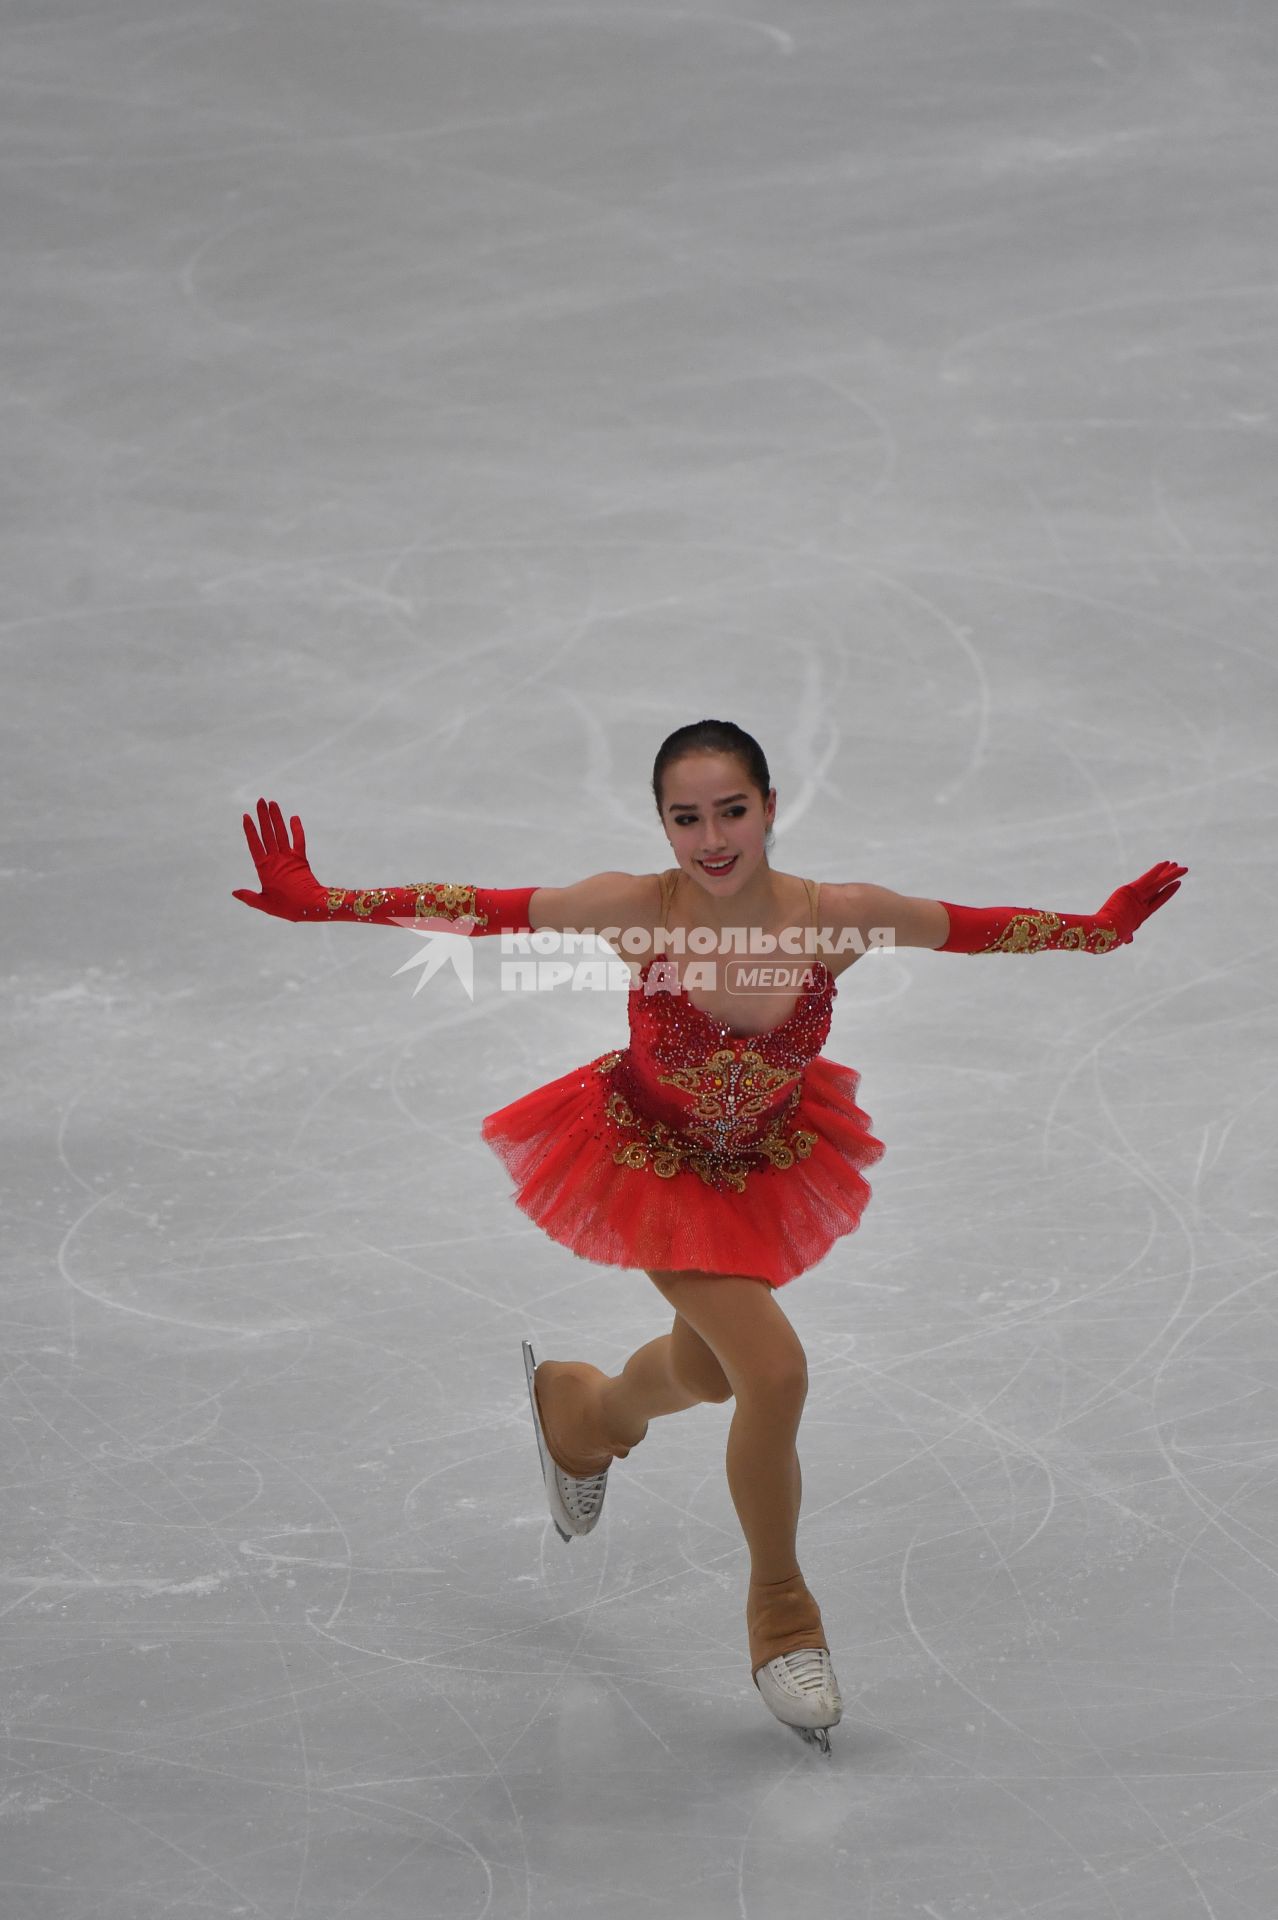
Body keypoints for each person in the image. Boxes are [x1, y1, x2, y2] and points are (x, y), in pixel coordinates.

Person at [233, 717, 1187, 1755]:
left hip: (761, 1164)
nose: (712, 836)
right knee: (774, 1374)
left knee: (718, 1371)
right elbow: (484, 909)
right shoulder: (637, 909)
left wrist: (1100, 927)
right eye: (686, 817)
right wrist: (324, 903)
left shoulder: (836, 919)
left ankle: (583, 1412)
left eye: (732, 810)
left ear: (771, 808)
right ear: (663, 825)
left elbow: (966, 925)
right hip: (646, 1161)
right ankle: (783, 1614)